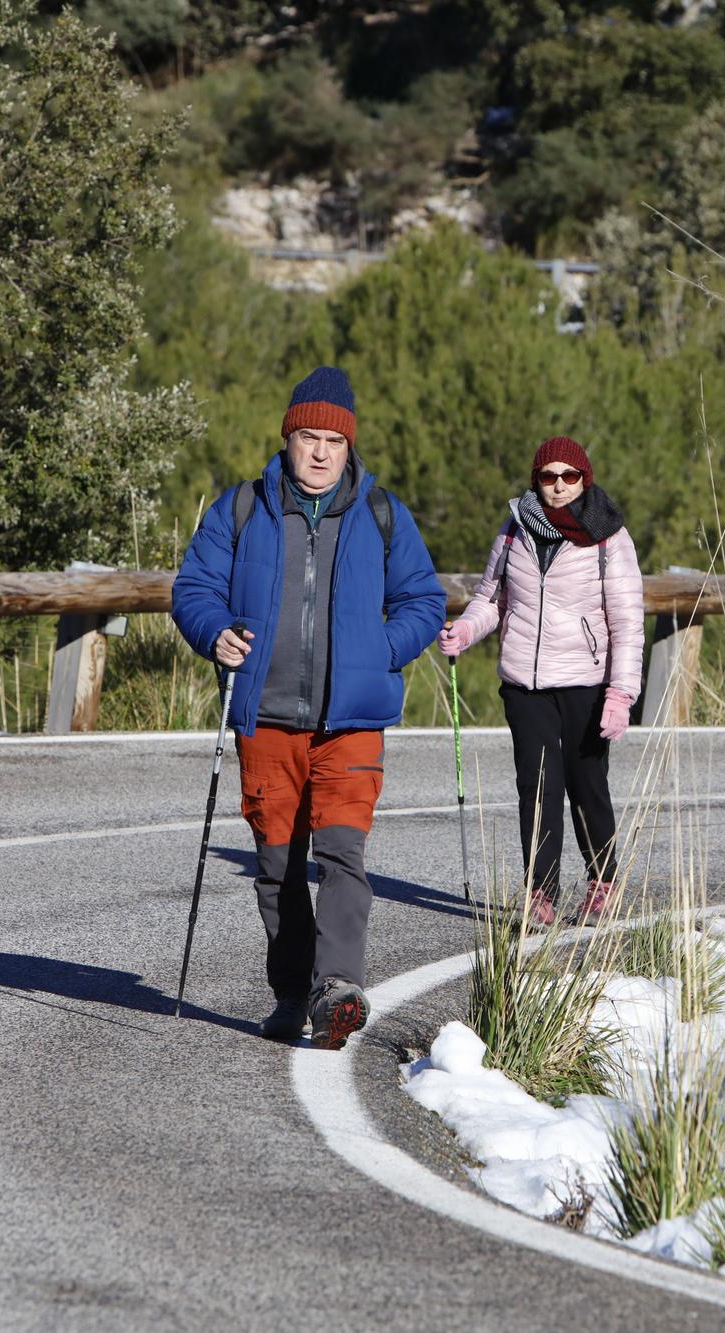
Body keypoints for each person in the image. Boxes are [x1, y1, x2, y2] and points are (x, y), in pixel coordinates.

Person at [171, 366, 445, 1048]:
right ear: (287, 438)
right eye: (308, 437)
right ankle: (294, 992)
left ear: (350, 448)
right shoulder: (242, 507)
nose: (320, 452)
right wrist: (215, 631)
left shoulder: (383, 514)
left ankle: (337, 986)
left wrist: (381, 649)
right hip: (265, 717)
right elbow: (194, 586)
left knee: (344, 855)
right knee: (276, 867)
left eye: (334, 440)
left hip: (350, 722)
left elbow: (425, 601)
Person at [438, 436, 645, 923]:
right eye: (549, 476)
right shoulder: (514, 532)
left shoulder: (609, 537)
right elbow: (492, 599)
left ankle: (602, 883)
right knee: (536, 788)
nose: (558, 486)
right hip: (523, 683)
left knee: (586, 782)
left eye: (569, 476)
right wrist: (467, 629)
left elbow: (628, 621)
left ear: (583, 479)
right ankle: (541, 892)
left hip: (586, 681)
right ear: (537, 480)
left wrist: (621, 692)